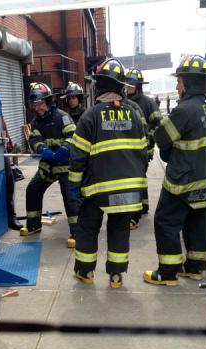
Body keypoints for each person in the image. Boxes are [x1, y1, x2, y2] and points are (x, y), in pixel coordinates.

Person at [68, 58, 148, 289]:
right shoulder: (133, 114)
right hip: (128, 189)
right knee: (119, 230)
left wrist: (75, 185)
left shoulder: (90, 116)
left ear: (99, 85)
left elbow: (78, 156)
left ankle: (85, 272)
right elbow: (143, 151)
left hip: (97, 189)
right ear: (121, 86)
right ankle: (116, 276)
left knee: (87, 229)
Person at [143, 54, 206, 286]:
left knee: (165, 221)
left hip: (181, 182)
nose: (177, 85)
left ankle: (168, 272)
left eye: (179, 81)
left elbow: (162, 137)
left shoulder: (184, 110)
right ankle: (195, 268)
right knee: (197, 221)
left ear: (189, 82)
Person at [20, 82, 78, 248]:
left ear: (49, 101)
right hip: (48, 167)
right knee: (33, 189)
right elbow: (34, 139)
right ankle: (33, 224)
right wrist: (42, 148)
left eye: (40, 104)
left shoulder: (62, 117)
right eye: (35, 105)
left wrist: (64, 149)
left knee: (71, 196)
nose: (37, 108)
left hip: (66, 165)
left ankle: (77, 232)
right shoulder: (36, 122)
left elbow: (74, 136)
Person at [125, 67, 162, 226]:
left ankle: (135, 215)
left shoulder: (148, 103)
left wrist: (149, 140)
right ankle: (144, 205)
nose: (127, 87)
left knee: (135, 178)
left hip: (143, 149)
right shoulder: (124, 102)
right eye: (126, 84)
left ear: (138, 85)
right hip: (129, 150)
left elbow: (158, 126)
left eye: (130, 84)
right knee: (139, 177)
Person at [2, 117, 23, 230]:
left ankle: (11, 217)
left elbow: (3, 125)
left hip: (0, 148)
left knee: (9, 182)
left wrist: (8, 143)